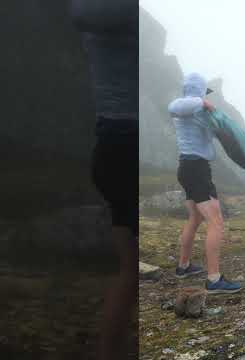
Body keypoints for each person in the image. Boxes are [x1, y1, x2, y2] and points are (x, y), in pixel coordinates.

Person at [71, 1, 138, 359]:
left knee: (130, 272)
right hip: (127, 146)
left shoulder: (91, 17)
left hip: (111, 144)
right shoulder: (124, 14)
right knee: (133, 273)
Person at [168, 73, 245, 294]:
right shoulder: (185, 107)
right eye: (203, 93)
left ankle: (183, 267)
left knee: (195, 218)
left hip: (189, 168)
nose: (206, 97)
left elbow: (226, 133)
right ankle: (214, 279)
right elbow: (173, 105)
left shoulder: (197, 113)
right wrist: (201, 101)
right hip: (196, 170)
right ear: (198, 92)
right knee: (216, 222)